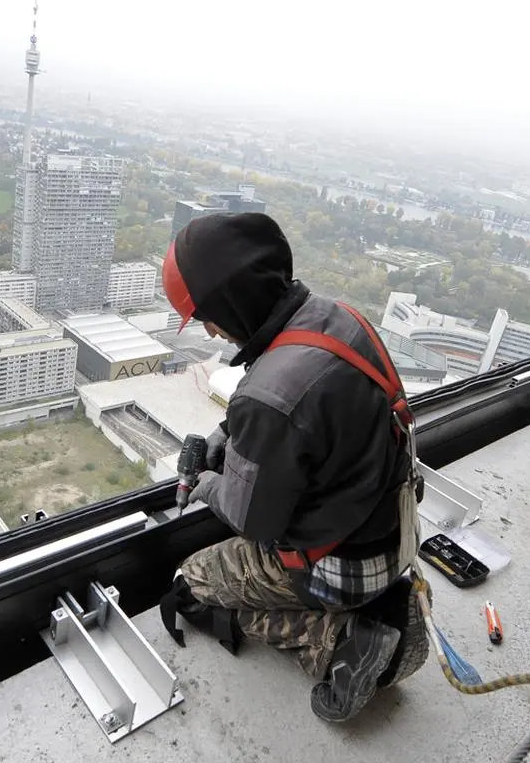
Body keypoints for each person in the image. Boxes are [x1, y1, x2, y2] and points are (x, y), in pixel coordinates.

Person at [158, 212, 429, 723]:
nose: (211, 331)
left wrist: (208, 483)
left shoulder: (268, 396)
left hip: (339, 566)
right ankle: (373, 609)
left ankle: (341, 638)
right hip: (397, 536)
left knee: (188, 586)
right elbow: (308, 412)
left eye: (205, 317)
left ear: (229, 301)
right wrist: (228, 438)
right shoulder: (339, 318)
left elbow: (252, 521)